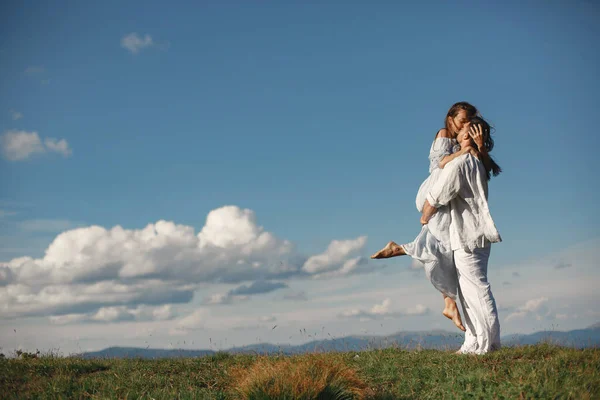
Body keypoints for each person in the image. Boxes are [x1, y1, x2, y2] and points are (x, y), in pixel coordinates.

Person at [371, 102, 487, 332]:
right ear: (450, 118)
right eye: (462, 120)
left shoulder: (466, 140)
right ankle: (446, 298)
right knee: (442, 243)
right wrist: (464, 150)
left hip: (447, 192)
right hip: (436, 188)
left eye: (469, 122)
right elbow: (439, 165)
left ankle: (448, 301)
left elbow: (486, 169)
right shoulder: (444, 134)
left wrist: (478, 147)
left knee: (443, 245)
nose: (465, 125)